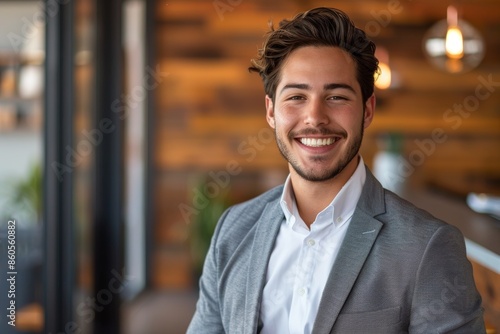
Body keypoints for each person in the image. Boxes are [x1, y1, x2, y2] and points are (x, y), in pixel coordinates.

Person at [187, 7, 485, 334]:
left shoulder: (428, 246)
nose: (315, 117)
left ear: (367, 110)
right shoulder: (232, 230)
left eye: (336, 96)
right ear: (271, 112)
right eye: (297, 96)